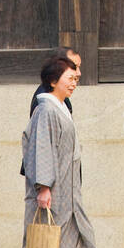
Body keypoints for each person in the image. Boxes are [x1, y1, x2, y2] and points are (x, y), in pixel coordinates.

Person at [9, 54, 119, 248]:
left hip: (69, 190)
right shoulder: (46, 109)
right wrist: (44, 187)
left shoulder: (59, 107)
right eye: (69, 78)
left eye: (75, 79)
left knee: (80, 236)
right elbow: (42, 149)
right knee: (42, 239)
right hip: (53, 190)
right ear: (52, 81)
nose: (74, 83)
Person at [20, 46, 81, 178]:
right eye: (74, 67)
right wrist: (45, 187)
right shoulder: (45, 102)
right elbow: (42, 147)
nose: (78, 73)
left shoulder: (61, 98)